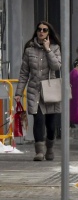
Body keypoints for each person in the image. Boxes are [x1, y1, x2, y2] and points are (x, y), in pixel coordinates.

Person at [14, 21, 62, 161]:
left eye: (45, 30)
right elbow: (24, 73)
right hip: (34, 90)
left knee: (51, 125)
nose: (41, 32)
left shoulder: (55, 48)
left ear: (49, 33)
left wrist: (47, 50)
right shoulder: (29, 50)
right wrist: (18, 92)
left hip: (50, 90)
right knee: (38, 120)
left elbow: (56, 67)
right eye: (39, 29)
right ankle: (39, 152)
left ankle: (50, 148)